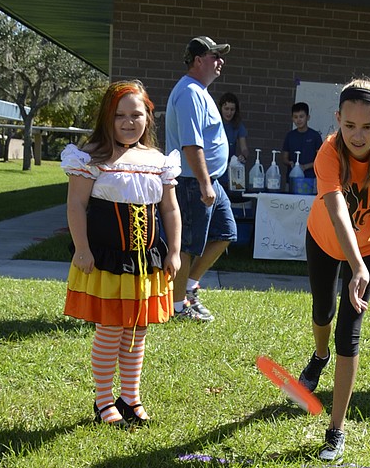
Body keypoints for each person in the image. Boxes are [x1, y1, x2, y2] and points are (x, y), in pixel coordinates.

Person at [297, 77, 370, 462]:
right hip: (325, 240)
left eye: (367, 126)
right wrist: (355, 265)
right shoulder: (328, 154)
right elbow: (337, 211)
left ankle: (335, 430)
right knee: (322, 312)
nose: (357, 135)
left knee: (350, 331)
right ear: (337, 120)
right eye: (349, 126)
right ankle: (318, 356)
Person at [62, 80, 181, 427]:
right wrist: (81, 249)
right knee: (111, 328)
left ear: (148, 118)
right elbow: (76, 205)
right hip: (108, 260)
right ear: (107, 118)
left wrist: (174, 252)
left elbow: (170, 210)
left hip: (145, 261)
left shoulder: (157, 161)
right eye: (120, 116)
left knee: (137, 329)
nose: (129, 122)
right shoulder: (92, 157)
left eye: (136, 115)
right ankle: (103, 400)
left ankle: (129, 396)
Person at [165, 35, 238, 323]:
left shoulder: (199, 91)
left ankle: (190, 287)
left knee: (225, 233)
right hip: (193, 181)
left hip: (209, 181)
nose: (220, 61)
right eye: (214, 56)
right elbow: (191, 144)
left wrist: (210, 182)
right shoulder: (189, 93)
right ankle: (178, 306)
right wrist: (204, 183)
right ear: (198, 60)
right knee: (188, 245)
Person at [281, 102, 324, 182]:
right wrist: (290, 163)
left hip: (310, 179)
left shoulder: (315, 136)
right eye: (295, 117)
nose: (298, 120)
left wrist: (305, 167)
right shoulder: (290, 136)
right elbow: (284, 158)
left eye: (301, 117)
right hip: (292, 179)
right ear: (292, 118)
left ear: (308, 117)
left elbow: (320, 159)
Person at [219, 91, 248, 164]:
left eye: (232, 110)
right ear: (220, 108)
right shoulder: (214, 123)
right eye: (226, 109)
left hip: (230, 166)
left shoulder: (238, 125)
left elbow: (244, 148)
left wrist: (243, 156)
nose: (229, 113)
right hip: (214, 165)